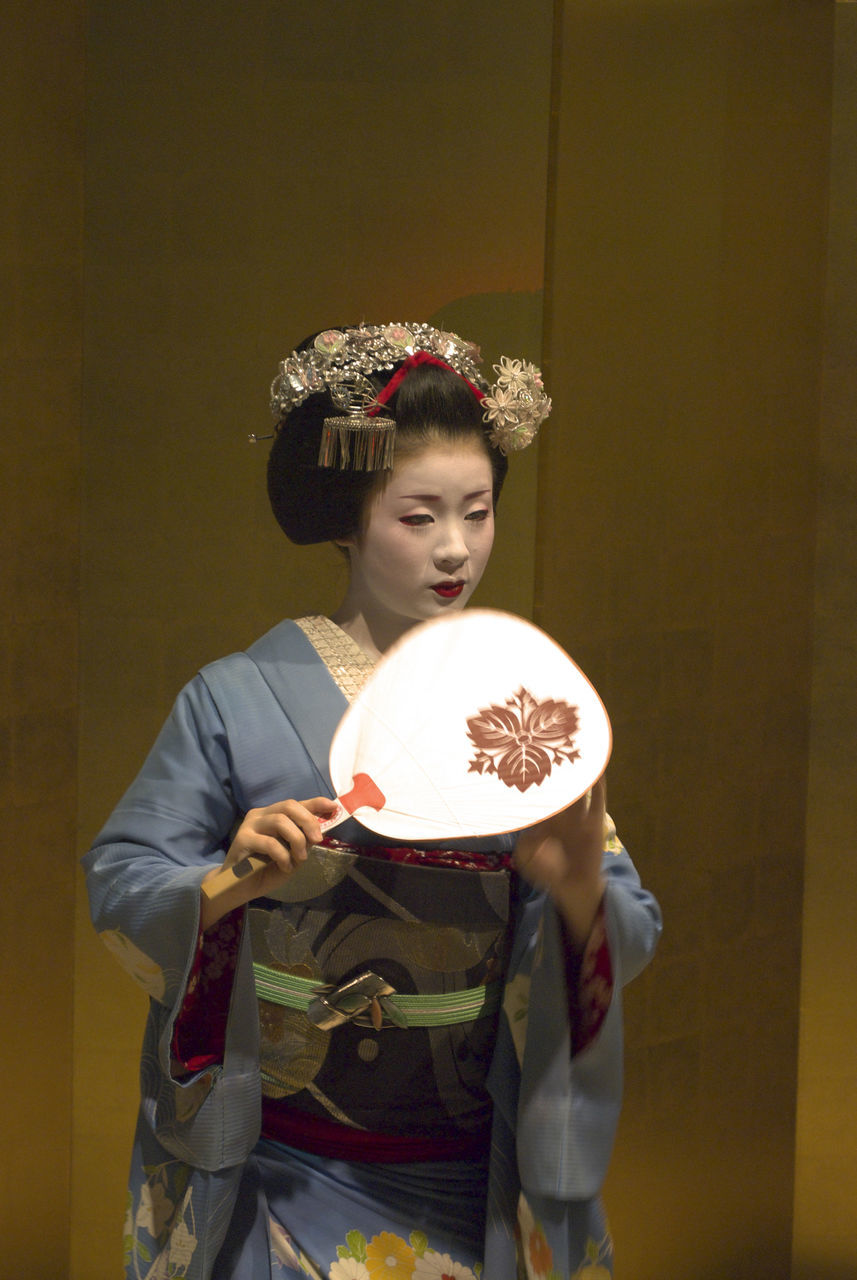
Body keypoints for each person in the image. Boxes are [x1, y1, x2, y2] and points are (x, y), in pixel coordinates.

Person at [83, 322, 661, 1280]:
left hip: (466, 1169)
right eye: (417, 516)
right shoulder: (233, 696)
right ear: (346, 519)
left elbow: (626, 932)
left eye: (476, 512)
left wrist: (574, 893)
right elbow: (124, 880)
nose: (455, 548)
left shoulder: (522, 708)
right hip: (278, 1166)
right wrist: (227, 883)